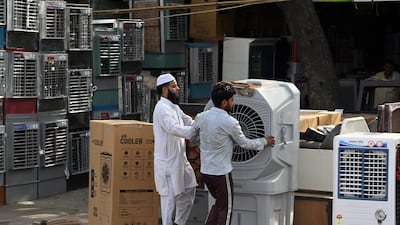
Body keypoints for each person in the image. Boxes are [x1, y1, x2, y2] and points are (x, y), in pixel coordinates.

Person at [191, 81, 275, 225]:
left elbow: (192, 136)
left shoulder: (201, 117)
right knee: (226, 209)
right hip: (221, 173)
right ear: (224, 102)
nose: (233, 103)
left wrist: (203, 145)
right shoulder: (230, 122)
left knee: (219, 204)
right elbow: (245, 143)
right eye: (231, 100)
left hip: (206, 171)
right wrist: (264, 141)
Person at [152, 73, 197, 225]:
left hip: (180, 160)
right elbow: (173, 128)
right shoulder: (162, 109)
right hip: (167, 163)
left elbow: (188, 121)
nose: (177, 88)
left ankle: (179, 222)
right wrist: (192, 132)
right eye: (174, 86)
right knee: (168, 201)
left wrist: (202, 124)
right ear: (164, 90)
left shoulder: (175, 107)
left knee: (190, 188)